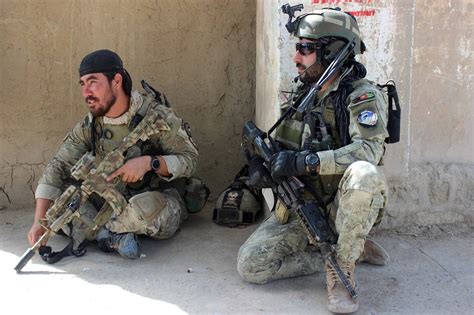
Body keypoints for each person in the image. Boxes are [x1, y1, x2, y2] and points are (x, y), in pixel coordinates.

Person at [237, 8, 390, 313]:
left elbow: (369, 151)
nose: (296, 57)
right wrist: (259, 167)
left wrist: (307, 162)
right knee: (251, 267)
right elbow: (279, 145)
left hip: (341, 204)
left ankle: (342, 267)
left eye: (306, 49)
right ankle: (349, 250)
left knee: (364, 174)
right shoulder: (298, 94)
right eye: (298, 48)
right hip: (301, 205)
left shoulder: (362, 96)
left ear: (332, 51)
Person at [27, 49, 199, 260]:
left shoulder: (156, 117)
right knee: (59, 204)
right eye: (82, 84)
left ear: (116, 80)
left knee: (144, 209)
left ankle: (98, 232)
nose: (86, 92)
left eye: (93, 82)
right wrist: (39, 221)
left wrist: (149, 163)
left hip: (152, 199)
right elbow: (59, 165)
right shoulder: (91, 124)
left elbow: (190, 160)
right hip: (108, 201)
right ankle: (108, 235)